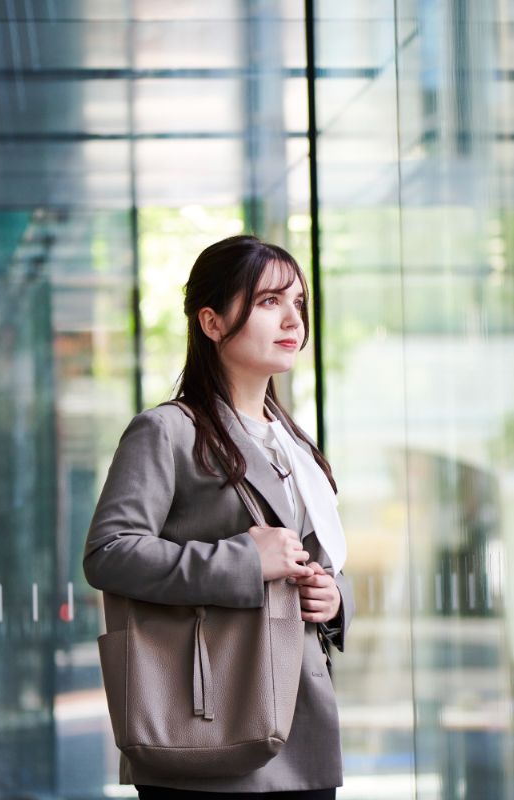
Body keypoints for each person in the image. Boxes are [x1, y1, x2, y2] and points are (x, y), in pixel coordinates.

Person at [82, 235, 353, 799]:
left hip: (303, 727)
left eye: (298, 302)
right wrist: (243, 560)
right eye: (268, 301)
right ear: (211, 322)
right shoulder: (168, 431)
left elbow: (313, 559)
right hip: (211, 725)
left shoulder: (294, 445)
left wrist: (333, 600)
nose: (291, 318)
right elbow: (108, 552)